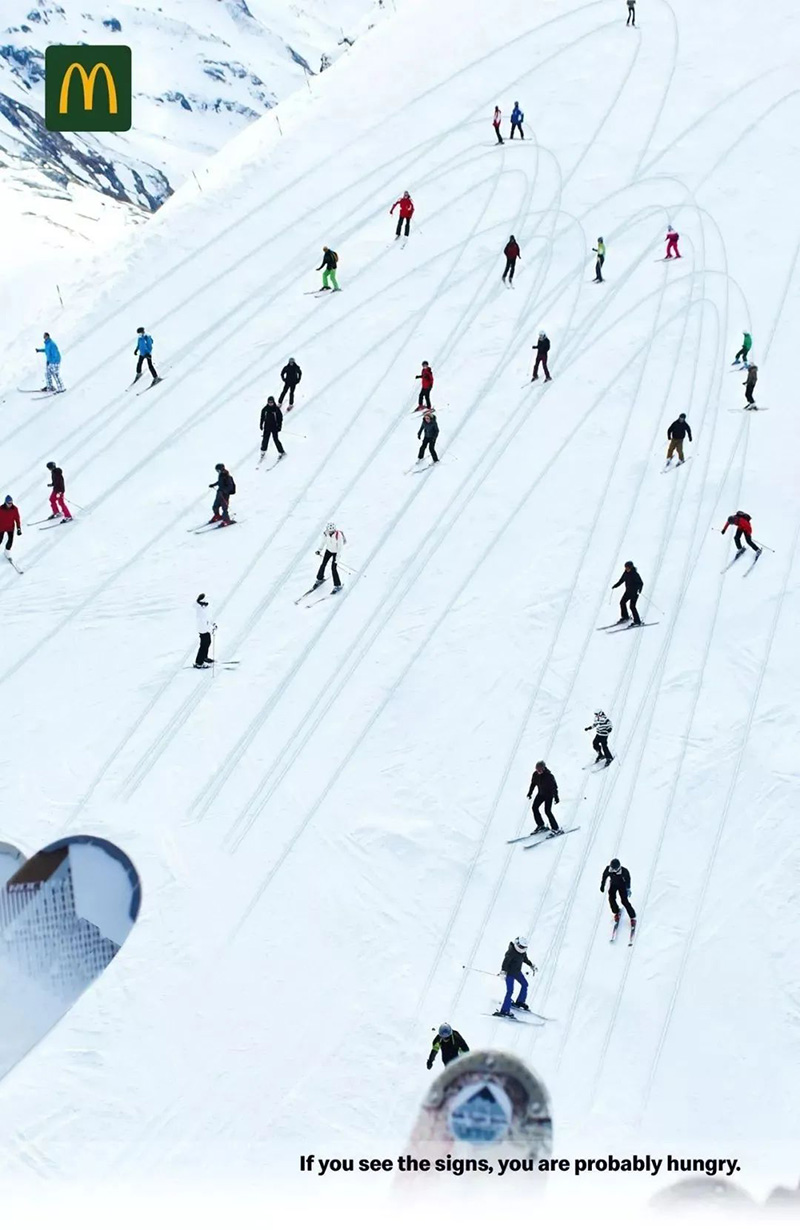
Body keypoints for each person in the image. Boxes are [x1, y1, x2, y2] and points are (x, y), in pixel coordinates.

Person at [495, 937, 537, 1018]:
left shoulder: (522, 952)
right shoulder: (511, 952)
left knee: (525, 985)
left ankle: (520, 1002)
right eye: (521, 947)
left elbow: (525, 959)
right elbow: (505, 963)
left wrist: (531, 965)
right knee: (510, 991)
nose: (522, 948)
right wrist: (503, 972)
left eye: (524, 947)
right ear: (517, 944)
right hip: (509, 974)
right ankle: (504, 1010)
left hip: (517, 972)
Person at [526, 761, 560, 833]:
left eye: (540, 769)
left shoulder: (549, 776)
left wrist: (556, 797)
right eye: (537, 769)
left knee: (547, 811)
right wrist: (530, 793)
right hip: (541, 794)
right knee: (534, 808)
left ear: (543, 768)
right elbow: (533, 784)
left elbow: (554, 787)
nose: (538, 771)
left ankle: (556, 828)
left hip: (549, 795)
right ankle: (541, 825)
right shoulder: (535, 775)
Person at [315, 521, 347, 591]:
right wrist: (319, 550)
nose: (329, 532)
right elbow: (323, 542)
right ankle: (319, 578)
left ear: (334, 530)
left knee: (333, 568)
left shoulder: (338, 536)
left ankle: (337, 585)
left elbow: (340, 548)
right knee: (323, 564)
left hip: (336, 552)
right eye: (329, 530)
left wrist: (337, 559)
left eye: (331, 531)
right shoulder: (325, 534)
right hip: (328, 550)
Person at [611, 560, 643, 625]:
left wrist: (639, 590)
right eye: (625, 567)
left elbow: (641, 583)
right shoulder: (625, 573)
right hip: (628, 592)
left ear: (631, 567)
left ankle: (637, 621)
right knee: (622, 602)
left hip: (634, 593)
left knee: (632, 606)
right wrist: (616, 585)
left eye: (627, 568)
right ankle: (625, 616)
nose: (626, 569)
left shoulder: (635, 574)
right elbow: (621, 580)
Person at [194, 593, 215, 669]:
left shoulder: (203, 608)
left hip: (205, 629)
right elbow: (204, 622)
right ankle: (199, 662)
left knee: (207, 642)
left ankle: (204, 658)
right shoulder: (200, 611)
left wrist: (212, 624)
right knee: (204, 645)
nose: (206, 605)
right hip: (203, 630)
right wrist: (210, 628)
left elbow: (208, 618)